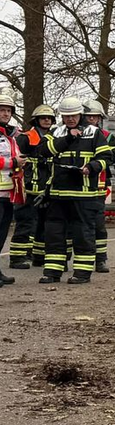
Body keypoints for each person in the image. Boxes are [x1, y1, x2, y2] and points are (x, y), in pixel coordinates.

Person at [42, 97, 111, 284]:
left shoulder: (94, 133)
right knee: (54, 234)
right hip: (57, 194)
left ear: (80, 114)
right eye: (66, 115)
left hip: (83, 194)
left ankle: (82, 273)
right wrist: (68, 138)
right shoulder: (56, 132)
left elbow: (107, 156)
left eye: (73, 115)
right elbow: (44, 150)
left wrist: (92, 166)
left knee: (83, 234)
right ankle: (52, 272)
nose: (70, 119)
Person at [10, 104, 54, 269]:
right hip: (28, 189)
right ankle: (17, 257)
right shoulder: (26, 137)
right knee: (25, 222)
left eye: (49, 118)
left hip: (46, 189)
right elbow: (17, 161)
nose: (46, 120)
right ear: (36, 120)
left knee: (44, 223)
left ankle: (39, 256)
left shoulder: (54, 138)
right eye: (43, 118)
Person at [82, 101, 114, 272]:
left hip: (100, 186)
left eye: (95, 116)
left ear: (100, 118)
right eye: (89, 116)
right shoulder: (78, 134)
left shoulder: (108, 136)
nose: (92, 119)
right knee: (75, 223)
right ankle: (65, 258)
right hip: (78, 185)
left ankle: (100, 259)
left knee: (99, 224)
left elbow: (113, 155)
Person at [0, 92, 22, 284]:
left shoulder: (10, 135)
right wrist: (13, 161)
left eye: (8, 111)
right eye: (2, 110)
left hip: (8, 193)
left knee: (2, 234)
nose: (6, 114)